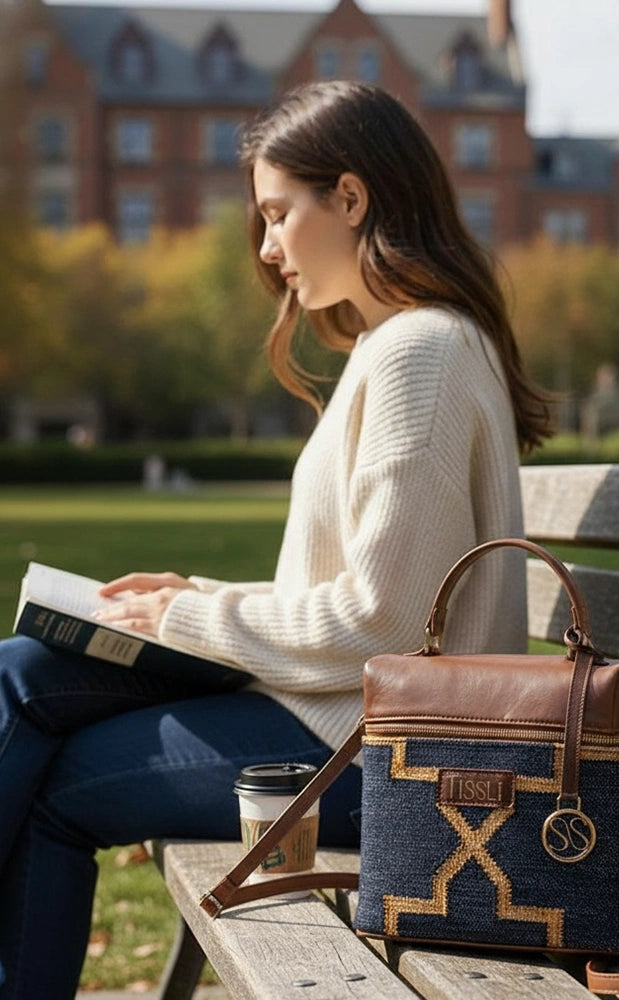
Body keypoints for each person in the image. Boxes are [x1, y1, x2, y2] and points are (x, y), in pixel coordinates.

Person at [0, 80, 551, 998]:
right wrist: (199, 599)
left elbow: (385, 621)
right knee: (23, 671)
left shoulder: (420, 353)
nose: (266, 248)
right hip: (348, 727)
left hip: (393, 759)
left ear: (350, 197)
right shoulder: (405, 346)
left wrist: (187, 618)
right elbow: (371, 592)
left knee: (51, 772)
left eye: (276, 213)